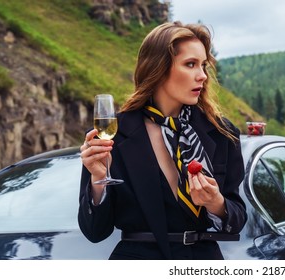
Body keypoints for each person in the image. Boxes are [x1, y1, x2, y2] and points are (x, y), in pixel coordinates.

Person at [78, 21, 247, 260]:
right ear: (158, 68)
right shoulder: (113, 135)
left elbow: (237, 219)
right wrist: (97, 180)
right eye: (190, 64)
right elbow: (95, 232)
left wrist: (216, 203)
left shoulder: (221, 133)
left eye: (203, 66)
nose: (202, 76)